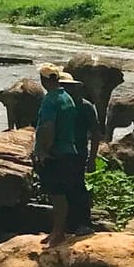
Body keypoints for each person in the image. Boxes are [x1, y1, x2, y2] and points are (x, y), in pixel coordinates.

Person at [34, 64, 86, 244]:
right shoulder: (66, 97)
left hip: (55, 153)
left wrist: (42, 150)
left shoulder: (50, 99)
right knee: (60, 193)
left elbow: (47, 127)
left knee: (57, 194)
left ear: (43, 80)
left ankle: (58, 233)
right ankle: (57, 231)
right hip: (68, 150)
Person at [60, 74, 101, 232]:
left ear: (76, 88)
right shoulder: (60, 105)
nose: (66, 90)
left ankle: (83, 223)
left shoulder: (85, 107)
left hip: (78, 153)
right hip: (61, 152)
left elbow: (96, 134)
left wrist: (92, 159)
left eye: (69, 87)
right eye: (63, 87)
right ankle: (68, 225)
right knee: (62, 188)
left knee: (77, 187)